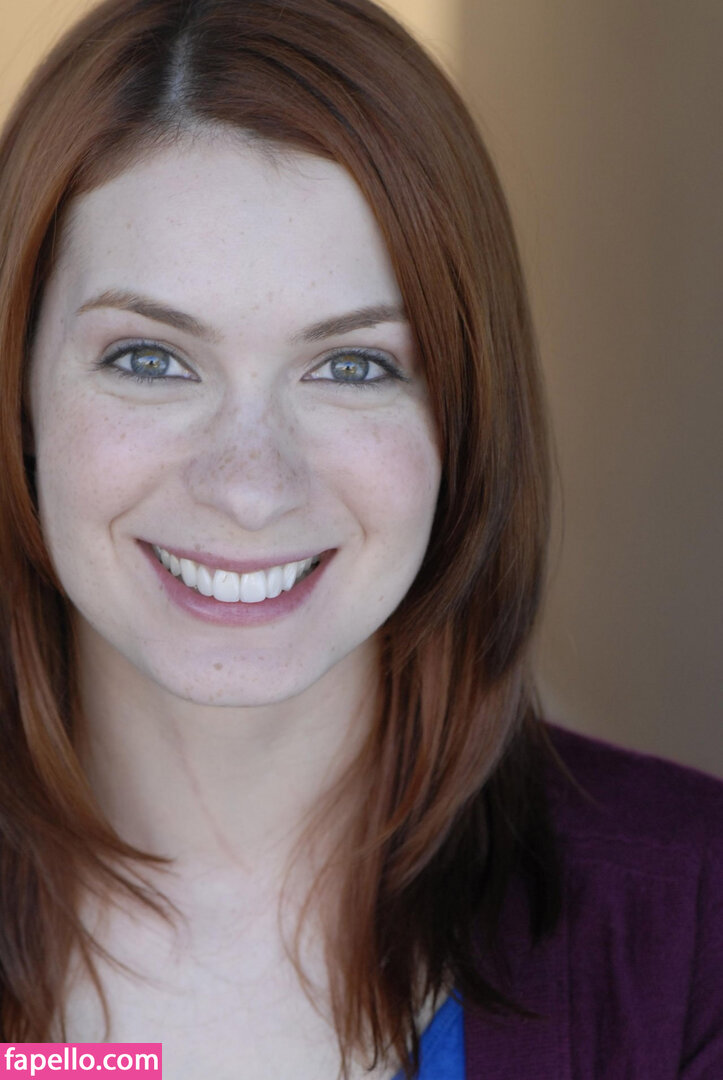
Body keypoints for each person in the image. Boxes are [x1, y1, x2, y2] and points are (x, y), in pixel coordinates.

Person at [0, 0, 720, 1076]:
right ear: (18, 392)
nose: (250, 486)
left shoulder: (695, 926)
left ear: (462, 417)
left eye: (353, 366)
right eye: (149, 358)